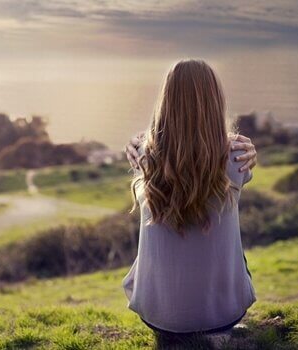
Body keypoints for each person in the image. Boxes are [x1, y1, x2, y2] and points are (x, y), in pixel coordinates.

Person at [122, 59, 257, 349]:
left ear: (165, 101)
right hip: (222, 317)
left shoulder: (145, 156)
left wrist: (139, 142)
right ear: (215, 101)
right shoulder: (237, 157)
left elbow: (153, 145)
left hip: (157, 315)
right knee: (238, 254)